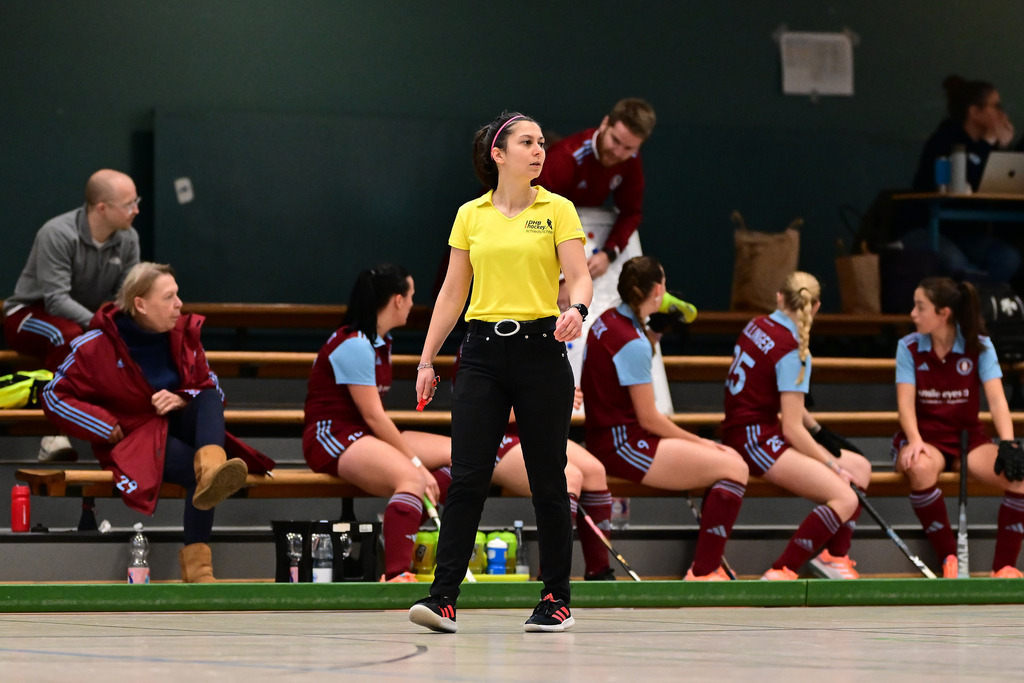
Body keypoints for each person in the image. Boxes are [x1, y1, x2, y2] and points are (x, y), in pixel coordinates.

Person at [409, 110, 591, 634]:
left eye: (541, 143)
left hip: (541, 351)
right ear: (499, 153)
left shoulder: (559, 210)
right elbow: (451, 293)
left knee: (548, 483)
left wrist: (576, 311)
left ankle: (556, 598)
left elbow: (579, 278)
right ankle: (443, 598)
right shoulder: (471, 215)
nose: (539, 151)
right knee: (467, 479)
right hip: (482, 353)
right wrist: (427, 359)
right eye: (527, 142)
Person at [40, 263, 273, 582]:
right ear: (140, 304)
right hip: (136, 438)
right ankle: (198, 568)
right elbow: (53, 395)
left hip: (179, 424)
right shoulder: (94, 345)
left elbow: (212, 386)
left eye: (178, 295)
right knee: (196, 471)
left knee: (206, 396)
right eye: (169, 297)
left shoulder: (184, 334)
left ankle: (212, 468)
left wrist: (182, 398)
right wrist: (104, 425)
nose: (179, 304)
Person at [581, 256, 748, 580]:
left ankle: (707, 567)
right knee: (734, 466)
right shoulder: (633, 342)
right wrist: (704, 443)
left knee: (726, 462)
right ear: (658, 290)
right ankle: (704, 571)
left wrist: (651, 333)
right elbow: (649, 420)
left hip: (606, 436)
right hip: (623, 446)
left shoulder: (608, 319)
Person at [303, 264, 453, 583]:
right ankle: (396, 573)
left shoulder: (382, 341)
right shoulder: (355, 344)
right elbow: (374, 415)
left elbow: (374, 422)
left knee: (460, 456)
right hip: (333, 436)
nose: (414, 303)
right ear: (397, 300)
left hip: (365, 435)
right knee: (412, 478)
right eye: (411, 296)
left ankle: (401, 518)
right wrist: (416, 465)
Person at [720, 272, 873, 580]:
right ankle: (782, 570)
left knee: (861, 467)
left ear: (779, 296)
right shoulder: (794, 351)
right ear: (815, 306)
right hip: (753, 440)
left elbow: (793, 411)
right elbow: (791, 428)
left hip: (752, 429)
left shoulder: (756, 324)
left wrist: (821, 434)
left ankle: (834, 558)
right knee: (846, 495)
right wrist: (830, 463)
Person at [536, 98, 674, 415]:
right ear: (604, 124)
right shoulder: (568, 157)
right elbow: (537, 221)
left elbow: (632, 212)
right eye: (615, 141)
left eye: (628, 148)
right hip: (545, 236)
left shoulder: (629, 159)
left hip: (586, 238)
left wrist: (610, 253)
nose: (618, 153)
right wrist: (560, 279)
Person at [4, 169, 141, 462]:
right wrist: (103, 325)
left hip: (81, 319)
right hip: (28, 314)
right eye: (129, 204)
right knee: (66, 336)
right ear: (102, 208)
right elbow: (55, 301)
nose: (136, 210)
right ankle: (53, 433)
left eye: (136, 201)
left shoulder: (128, 239)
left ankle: (127, 431)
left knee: (129, 335)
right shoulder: (58, 233)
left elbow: (126, 297)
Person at [894, 277, 1024, 578]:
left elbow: (996, 399)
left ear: (943, 313)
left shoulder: (979, 346)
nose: (912, 313)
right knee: (920, 467)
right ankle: (949, 558)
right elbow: (905, 404)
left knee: (1019, 478)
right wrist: (913, 441)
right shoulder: (909, 347)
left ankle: (1003, 567)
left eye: (920, 307)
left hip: (968, 439)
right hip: (926, 437)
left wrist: (1007, 444)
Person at [904, 75, 1020, 283]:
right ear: (974, 111)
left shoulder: (991, 146)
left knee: (1008, 259)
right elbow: (961, 179)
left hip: (968, 233)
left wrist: (1002, 149)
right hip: (928, 227)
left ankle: (979, 305)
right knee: (956, 263)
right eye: (996, 106)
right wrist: (988, 142)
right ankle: (967, 304)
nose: (1002, 113)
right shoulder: (945, 138)